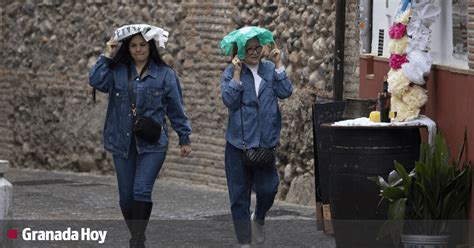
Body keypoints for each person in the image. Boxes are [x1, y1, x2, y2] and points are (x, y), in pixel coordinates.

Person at [89, 28, 192, 248]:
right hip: (121, 142)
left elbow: (176, 108)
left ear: (150, 47)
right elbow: (96, 80)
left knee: (141, 190)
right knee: (126, 198)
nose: (138, 50)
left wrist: (184, 137)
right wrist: (107, 54)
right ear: (128, 47)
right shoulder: (117, 71)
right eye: (134, 45)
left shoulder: (165, 74)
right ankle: (139, 236)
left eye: (143, 45)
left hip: (153, 143)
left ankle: (136, 241)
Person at [220, 29, 293, 247]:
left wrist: (279, 63)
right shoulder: (231, 72)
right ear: (239, 51)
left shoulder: (269, 69)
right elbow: (229, 101)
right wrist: (235, 75)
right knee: (239, 197)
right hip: (238, 144)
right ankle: (245, 242)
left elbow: (286, 91)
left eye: (257, 48)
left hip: (265, 144)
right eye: (248, 49)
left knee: (269, 188)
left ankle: (259, 217)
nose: (253, 52)